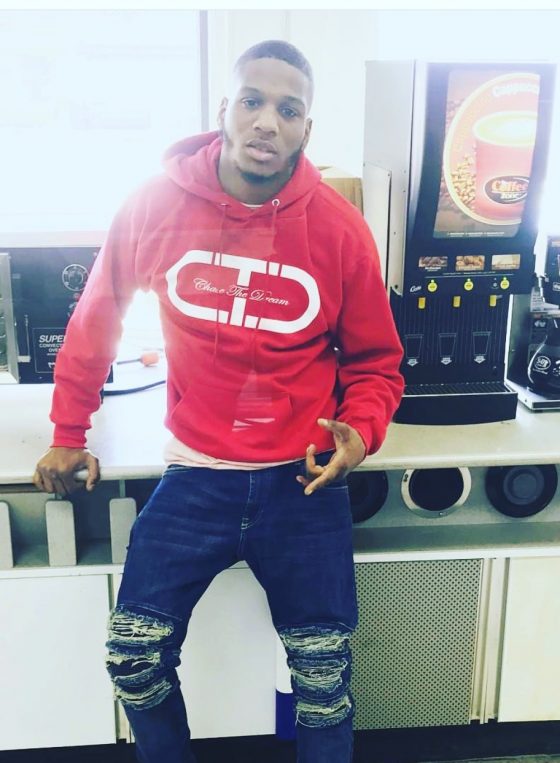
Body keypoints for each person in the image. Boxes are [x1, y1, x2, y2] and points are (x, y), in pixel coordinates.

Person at [33, 40, 404, 763]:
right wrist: (68, 430)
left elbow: (376, 364)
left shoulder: (339, 229)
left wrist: (361, 431)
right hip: (197, 476)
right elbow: (96, 319)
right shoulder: (155, 204)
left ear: (306, 129)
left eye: (288, 110)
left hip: (303, 480)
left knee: (322, 680)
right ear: (224, 109)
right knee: (133, 659)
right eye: (253, 101)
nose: (267, 121)